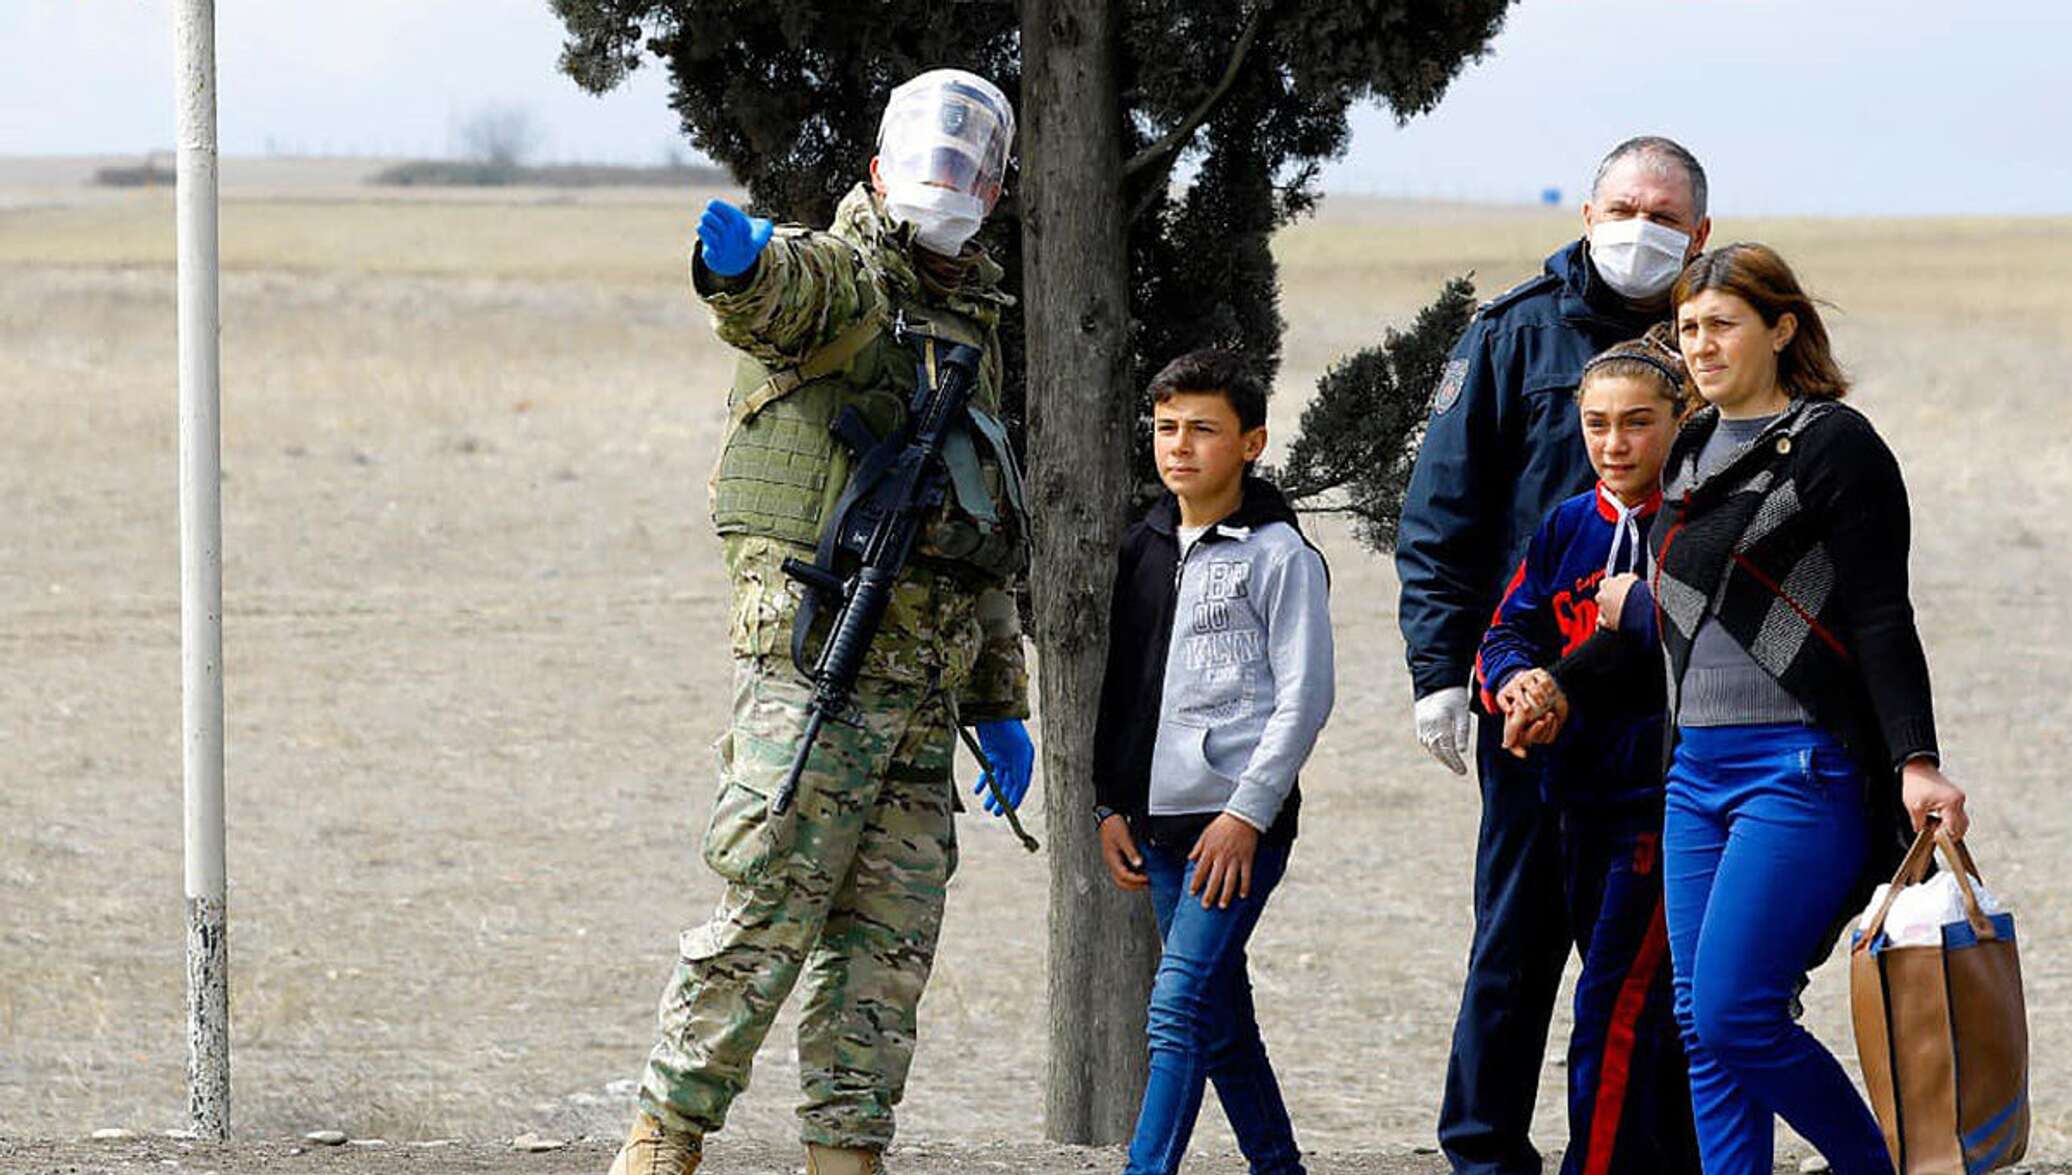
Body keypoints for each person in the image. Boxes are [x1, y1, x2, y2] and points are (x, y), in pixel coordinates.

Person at [609, 69, 1038, 1175]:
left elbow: (979, 535)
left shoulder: (972, 322)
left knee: (887, 949)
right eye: (931, 159)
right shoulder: (848, 278)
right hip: (817, 669)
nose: (948, 181)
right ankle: (663, 1140)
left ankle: (846, 1154)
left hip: (923, 693)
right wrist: (738, 267)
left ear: (995, 190)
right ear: (877, 167)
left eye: (970, 167)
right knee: (766, 912)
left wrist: (999, 700)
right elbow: (780, 295)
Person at [1534, 243, 1969, 1174]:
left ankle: (1876, 1164)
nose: (1701, 343)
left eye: (1723, 324)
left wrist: (1916, 759)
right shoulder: (1688, 451)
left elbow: (1880, 615)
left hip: (1798, 767)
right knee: (1700, 1022)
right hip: (1693, 770)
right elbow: (1689, 615)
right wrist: (1558, 680)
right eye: (1688, 326)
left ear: (1780, 328)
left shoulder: (1832, 444)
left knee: (1738, 1012)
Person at [1394, 135, 1712, 1174]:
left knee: (1657, 969)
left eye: (1663, 216)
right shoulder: (1514, 335)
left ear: (1699, 232)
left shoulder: (1720, 338)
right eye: (1622, 208)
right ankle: (1484, 1152)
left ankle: (1645, 1157)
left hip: (1679, 713)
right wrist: (1441, 676)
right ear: (1586, 215)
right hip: (1531, 702)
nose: (1639, 230)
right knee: (1514, 944)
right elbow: (1441, 516)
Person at [1090, 350, 1335, 1175]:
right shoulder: (1144, 545)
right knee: (1221, 1023)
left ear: (1252, 442)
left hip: (1234, 829)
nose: (1180, 446)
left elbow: (1305, 698)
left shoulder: (1280, 555)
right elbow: (1123, 685)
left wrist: (1246, 815)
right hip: (1154, 827)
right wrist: (1109, 802)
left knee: (1177, 1006)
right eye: (1167, 428)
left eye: (1203, 428)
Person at [1474, 328, 1699, 1175]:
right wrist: (1519, 683)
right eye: (1598, 424)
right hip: (1573, 806)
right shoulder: (1568, 523)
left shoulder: (1697, 527)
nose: (1615, 444)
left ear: (1680, 420)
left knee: (1610, 1007)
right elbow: (1507, 629)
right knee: (1645, 1016)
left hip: (1663, 808)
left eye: (1638, 423)